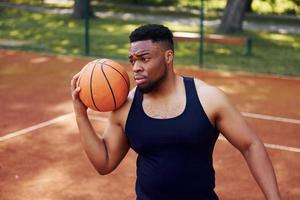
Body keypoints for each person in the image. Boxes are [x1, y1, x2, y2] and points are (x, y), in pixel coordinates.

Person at [71, 24, 281, 200]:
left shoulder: (208, 98)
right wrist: (81, 114)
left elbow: (251, 145)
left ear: (168, 56)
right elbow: (104, 163)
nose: (135, 67)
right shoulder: (125, 107)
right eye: (132, 60)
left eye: (144, 58)